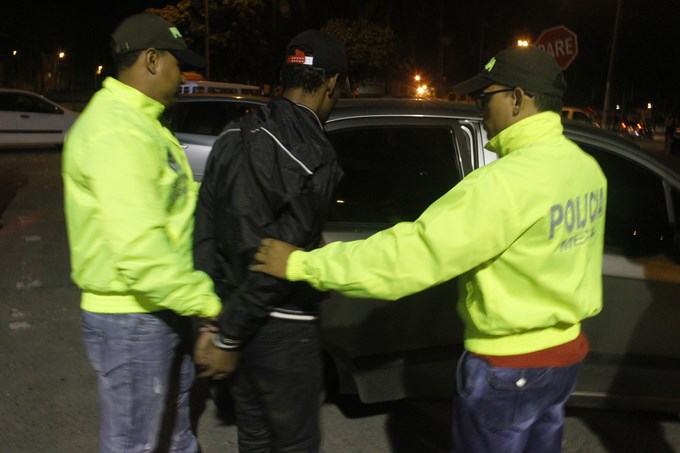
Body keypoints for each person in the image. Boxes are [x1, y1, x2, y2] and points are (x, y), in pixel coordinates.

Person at [251, 46, 608, 453]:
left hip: (509, 367)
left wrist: (301, 265)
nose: (479, 111)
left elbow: (409, 257)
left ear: (516, 98)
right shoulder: (586, 169)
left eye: (484, 99)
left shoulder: (504, 184)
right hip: (564, 359)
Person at [62, 12, 221, 452]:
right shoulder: (116, 131)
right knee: (136, 444)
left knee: (176, 435)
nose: (183, 76)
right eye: (178, 64)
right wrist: (208, 303)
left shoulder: (142, 122)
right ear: (152, 60)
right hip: (132, 318)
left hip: (159, 307)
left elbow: (172, 202)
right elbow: (141, 252)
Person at [192, 30, 347, 452]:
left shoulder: (233, 132)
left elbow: (204, 229)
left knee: (254, 439)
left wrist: (215, 323)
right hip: (285, 331)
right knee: (295, 444)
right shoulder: (318, 155)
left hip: (231, 316)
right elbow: (278, 259)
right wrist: (228, 337)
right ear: (332, 83)